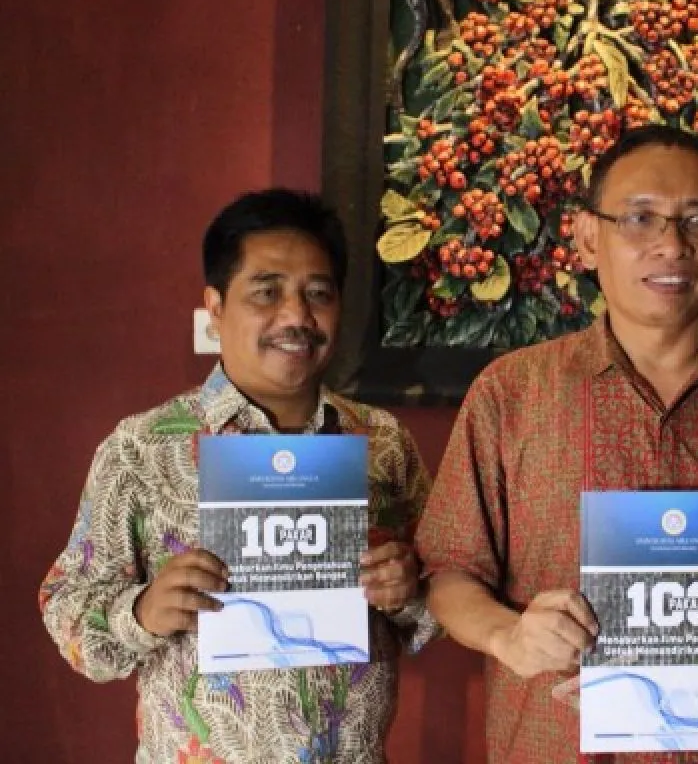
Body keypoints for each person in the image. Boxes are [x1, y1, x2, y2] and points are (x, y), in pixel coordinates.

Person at [415, 125, 698, 763]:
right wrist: (509, 636)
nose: (671, 245)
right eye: (639, 218)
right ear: (587, 237)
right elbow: (450, 572)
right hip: (552, 748)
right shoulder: (511, 393)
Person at [39, 188, 436, 763]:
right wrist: (142, 612)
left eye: (318, 293)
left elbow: (440, 605)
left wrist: (409, 591)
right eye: (267, 292)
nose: (296, 316)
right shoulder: (142, 448)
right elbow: (67, 612)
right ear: (217, 305)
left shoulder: (383, 443)